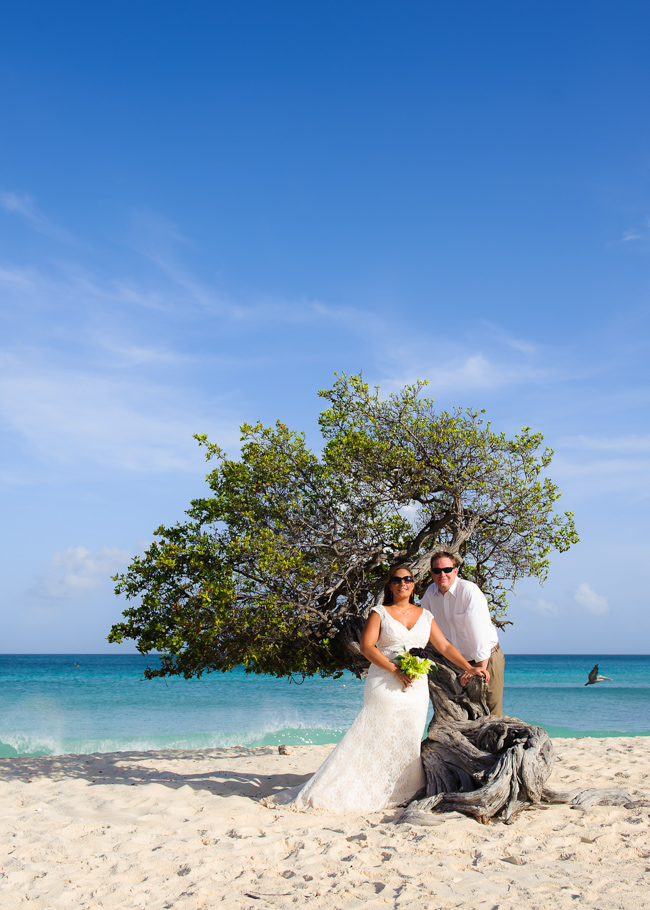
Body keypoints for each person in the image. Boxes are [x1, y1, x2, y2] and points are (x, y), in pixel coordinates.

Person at [264, 566, 487, 813]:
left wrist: (470, 667)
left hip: (416, 687)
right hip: (384, 681)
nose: (403, 583)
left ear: (414, 585)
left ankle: (401, 789)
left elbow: (444, 646)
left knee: (408, 735)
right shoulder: (379, 613)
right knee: (376, 731)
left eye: (408, 579)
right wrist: (395, 669)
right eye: (397, 580)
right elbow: (367, 647)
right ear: (390, 586)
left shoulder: (425, 615)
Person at [420, 550, 504, 715]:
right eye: (437, 571)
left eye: (447, 570)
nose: (442, 574)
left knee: (491, 714)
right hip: (458, 662)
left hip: (487, 658)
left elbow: (479, 634)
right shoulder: (430, 594)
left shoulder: (468, 591)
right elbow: (424, 626)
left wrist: (479, 670)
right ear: (431, 573)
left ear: (455, 571)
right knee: (466, 713)